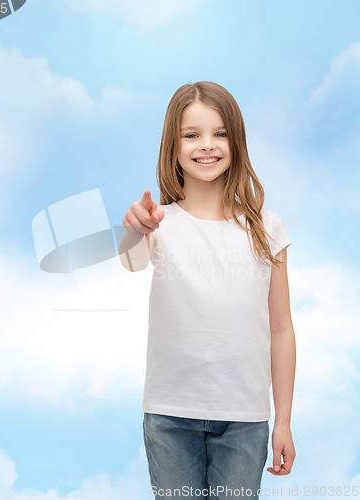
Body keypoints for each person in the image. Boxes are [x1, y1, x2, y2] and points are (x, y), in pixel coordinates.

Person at [119, 81, 296, 500]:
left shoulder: (265, 227)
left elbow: (281, 329)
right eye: (192, 134)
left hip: (245, 418)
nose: (207, 145)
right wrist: (132, 228)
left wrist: (283, 420)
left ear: (236, 141)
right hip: (169, 416)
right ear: (173, 145)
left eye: (219, 133)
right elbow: (131, 261)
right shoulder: (157, 221)